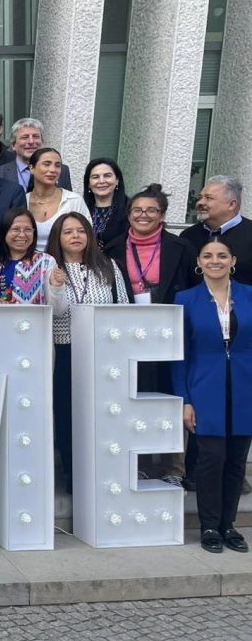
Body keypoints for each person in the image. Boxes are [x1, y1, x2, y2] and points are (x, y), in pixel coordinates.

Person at [105, 184, 197, 487]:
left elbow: (192, 288)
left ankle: (173, 467)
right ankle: (141, 462)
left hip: (171, 332)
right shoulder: (113, 247)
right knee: (137, 395)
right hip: (129, 334)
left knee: (171, 394)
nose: (143, 215)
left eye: (151, 210)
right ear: (128, 214)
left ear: (162, 215)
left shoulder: (181, 247)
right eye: (137, 210)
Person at [173, 237, 252, 553]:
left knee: (236, 461)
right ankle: (209, 525)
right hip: (204, 388)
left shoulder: (249, 295)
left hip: (245, 388)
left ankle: (228, 525)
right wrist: (184, 399)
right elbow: (179, 354)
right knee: (211, 459)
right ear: (199, 262)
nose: (215, 261)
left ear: (233, 261)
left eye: (222, 255)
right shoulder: (185, 299)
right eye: (208, 256)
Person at [46, 212, 129, 492]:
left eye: (81, 231)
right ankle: (74, 474)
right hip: (65, 348)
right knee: (67, 413)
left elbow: (122, 307)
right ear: (58, 237)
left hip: (102, 351)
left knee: (102, 412)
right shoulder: (50, 267)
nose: (75, 236)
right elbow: (53, 311)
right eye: (68, 231)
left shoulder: (108, 266)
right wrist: (55, 287)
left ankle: (104, 471)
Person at [0, 206, 67, 310]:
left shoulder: (45, 262)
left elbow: (58, 311)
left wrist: (56, 287)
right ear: (4, 231)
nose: (22, 235)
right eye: (16, 229)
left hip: (33, 320)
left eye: (28, 229)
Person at [181, 175, 252, 285]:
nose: (200, 203)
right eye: (200, 197)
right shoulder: (188, 236)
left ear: (232, 204)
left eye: (209, 198)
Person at [26, 147, 91, 252]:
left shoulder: (73, 200)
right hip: (28, 260)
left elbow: (88, 236)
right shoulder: (22, 200)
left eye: (57, 165)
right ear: (32, 168)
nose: (53, 170)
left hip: (65, 260)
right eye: (47, 164)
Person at [0, 117, 73, 190]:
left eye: (36, 136)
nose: (31, 142)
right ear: (13, 145)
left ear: (42, 142)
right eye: (25, 137)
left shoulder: (62, 171)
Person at [82, 158, 128, 250]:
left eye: (107, 176)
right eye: (95, 177)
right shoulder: (80, 208)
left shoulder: (130, 209)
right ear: (88, 184)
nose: (102, 181)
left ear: (117, 180)